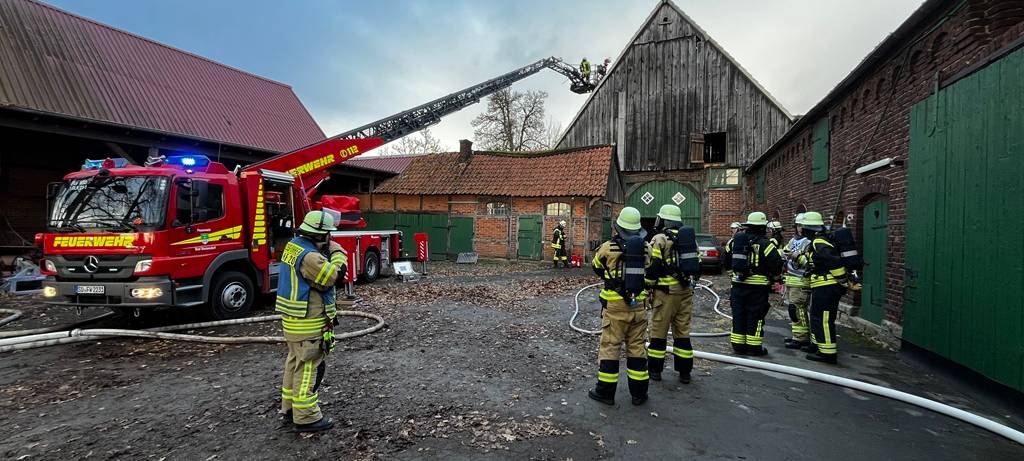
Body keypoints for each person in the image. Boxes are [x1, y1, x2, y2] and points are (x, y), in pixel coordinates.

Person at [276, 210, 348, 432]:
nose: (329, 237)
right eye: (328, 234)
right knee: (310, 367)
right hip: (308, 322)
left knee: (294, 363)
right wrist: (338, 253)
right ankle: (306, 417)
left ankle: (289, 408)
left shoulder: (293, 246)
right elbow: (334, 277)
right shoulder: (311, 257)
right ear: (320, 235)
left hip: (293, 321)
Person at [588, 207, 652, 406]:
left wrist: (613, 279)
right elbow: (651, 270)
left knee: (610, 348)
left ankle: (606, 393)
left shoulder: (608, 247)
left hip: (615, 306)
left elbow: (597, 266)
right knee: (637, 348)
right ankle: (639, 394)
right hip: (639, 306)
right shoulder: (647, 248)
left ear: (619, 228)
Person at [645, 204, 699, 383]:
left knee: (658, 332)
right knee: (682, 332)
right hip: (685, 292)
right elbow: (696, 265)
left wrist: (648, 288)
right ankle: (685, 373)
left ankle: (654, 371)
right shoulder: (690, 240)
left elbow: (653, 268)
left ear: (665, 220)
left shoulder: (660, 239)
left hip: (665, 294)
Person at [723, 212, 783, 355]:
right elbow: (776, 264)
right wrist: (774, 278)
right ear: (763, 227)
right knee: (755, 317)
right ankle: (754, 348)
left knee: (738, 315)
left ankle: (738, 346)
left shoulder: (734, 242)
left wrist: (734, 277)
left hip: (738, 287)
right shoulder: (765, 244)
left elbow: (726, 262)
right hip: (758, 289)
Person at [797, 211, 846, 364]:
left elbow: (834, 262)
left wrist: (842, 280)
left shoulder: (819, 242)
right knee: (816, 317)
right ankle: (817, 345)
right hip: (821, 286)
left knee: (823, 319)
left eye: (802, 226)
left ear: (808, 228)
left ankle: (827, 354)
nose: (800, 229)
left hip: (827, 287)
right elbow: (816, 262)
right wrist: (798, 257)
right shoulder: (817, 242)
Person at [782, 214, 812, 349]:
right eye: (799, 225)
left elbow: (810, 263)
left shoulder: (809, 242)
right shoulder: (794, 240)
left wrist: (796, 257)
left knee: (798, 310)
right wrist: (784, 254)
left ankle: (802, 338)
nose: (801, 228)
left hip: (802, 281)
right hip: (792, 280)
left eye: (803, 225)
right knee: (793, 310)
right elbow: (785, 251)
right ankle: (797, 336)